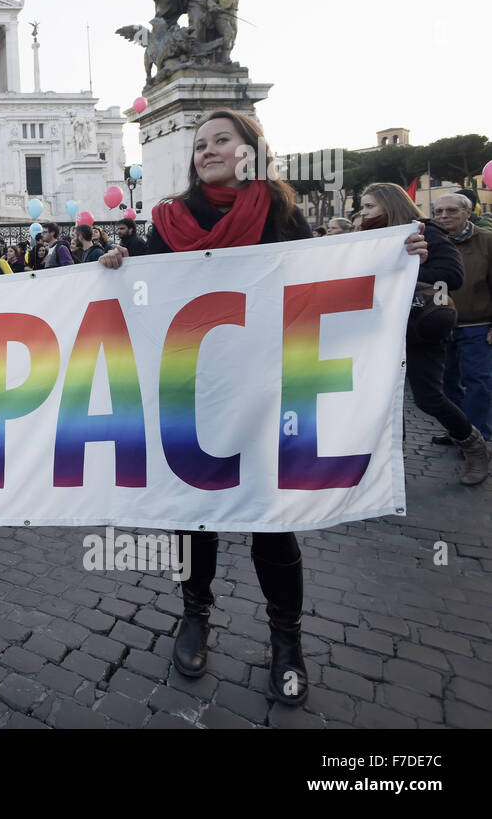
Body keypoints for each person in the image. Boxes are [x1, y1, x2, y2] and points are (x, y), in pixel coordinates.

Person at [99, 110, 434, 707]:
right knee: (193, 519)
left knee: (272, 525)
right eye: (199, 143)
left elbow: (326, 282)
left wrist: (394, 254)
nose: (206, 150)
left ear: (250, 150)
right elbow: (140, 298)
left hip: (267, 393)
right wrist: (115, 272)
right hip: (192, 391)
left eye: (220, 140)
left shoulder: (281, 217)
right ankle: (194, 614)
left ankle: (287, 640)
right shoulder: (165, 225)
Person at [359, 184, 487, 486]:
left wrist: (411, 265)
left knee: (429, 398)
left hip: (421, 326)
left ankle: (474, 446)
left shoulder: (426, 232)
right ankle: (390, 467)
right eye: (362, 207)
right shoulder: (365, 239)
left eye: (369, 207)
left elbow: (452, 276)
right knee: (381, 398)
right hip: (379, 329)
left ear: (390, 207)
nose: (362, 213)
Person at [430, 193, 492, 443]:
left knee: (479, 384)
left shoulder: (487, 241)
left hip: (478, 326)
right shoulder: (432, 242)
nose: (444, 216)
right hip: (443, 327)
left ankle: (479, 439)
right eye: (439, 212)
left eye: (452, 211)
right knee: (445, 384)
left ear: (468, 212)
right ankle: (459, 431)